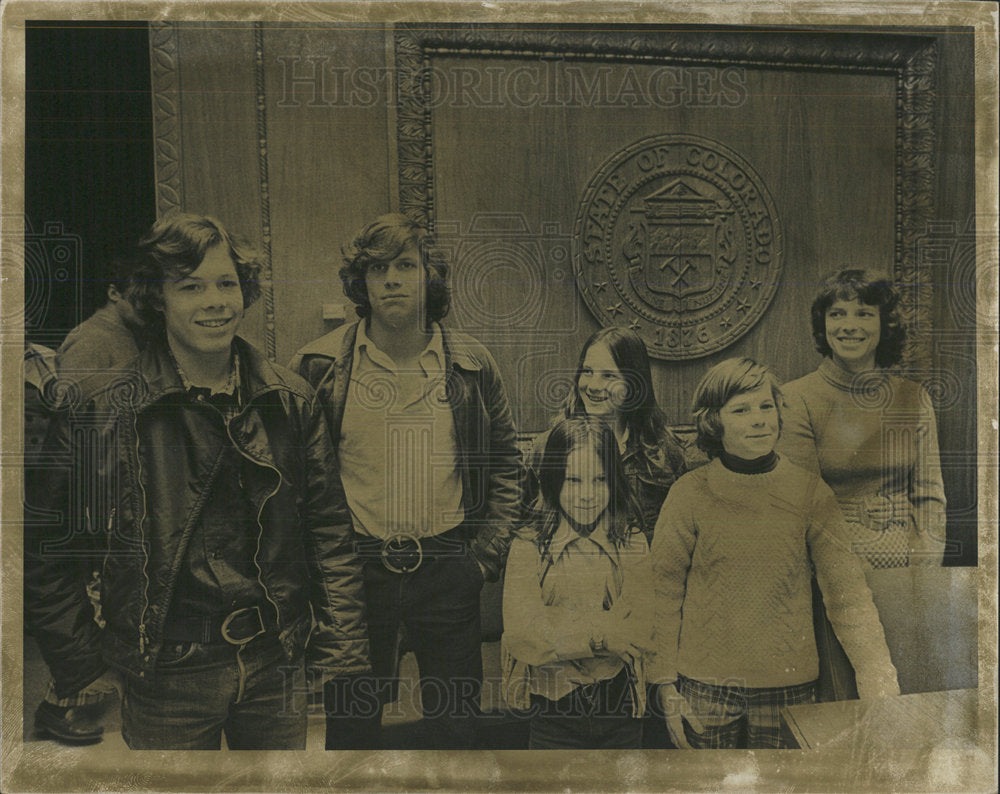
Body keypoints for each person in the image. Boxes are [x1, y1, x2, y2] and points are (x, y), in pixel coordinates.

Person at [24, 212, 370, 750]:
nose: (215, 301)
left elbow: (328, 532)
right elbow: (46, 550)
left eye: (227, 283)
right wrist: (82, 663)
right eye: (191, 286)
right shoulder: (101, 408)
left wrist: (341, 649)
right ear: (157, 298)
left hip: (273, 663)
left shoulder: (291, 398)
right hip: (166, 674)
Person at [291, 213, 522, 749]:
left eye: (405, 265)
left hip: (447, 569)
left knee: (458, 730)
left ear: (429, 277)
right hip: (355, 576)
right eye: (377, 268)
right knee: (351, 735)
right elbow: (295, 483)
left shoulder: (471, 364)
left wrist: (482, 559)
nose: (391, 279)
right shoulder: (320, 365)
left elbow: (508, 462)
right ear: (361, 282)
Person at [649, 357, 899, 750]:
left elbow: (847, 594)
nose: (760, 419)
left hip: (789, 693)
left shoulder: (810, 492)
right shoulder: (689, 493)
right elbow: (661, 595)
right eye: (742, 410)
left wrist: (878, 679)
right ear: (714, 421)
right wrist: (665, 685)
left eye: (767, 407)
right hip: (706, 694)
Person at [779, 268, 947, 569]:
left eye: (864, 314)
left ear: (885, 323)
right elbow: (805, 509)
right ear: (823, 324)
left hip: (909, 564)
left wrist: (924, 571)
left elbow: (930, 500)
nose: (849, 326)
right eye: (837, 314)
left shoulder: (914, 397)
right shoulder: (796, 399)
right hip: (832, 565)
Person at [501, 416, 652, 749]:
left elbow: (639, 630)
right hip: (553, 711)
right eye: (573, 480)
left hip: (619, 706)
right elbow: (522, 634)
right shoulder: (528, 545)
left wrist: (557, 631)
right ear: (554, 481)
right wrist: (602, 636)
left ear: (614, 481)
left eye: (600, 480)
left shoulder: (633, 541)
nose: (587, 495)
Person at [529, 327, 691, 544]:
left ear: (633, 384)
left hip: (640, 571)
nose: (594, 385)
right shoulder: (548, 446)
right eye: (587, 371)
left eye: (608, 375)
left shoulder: (662, 451)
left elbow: (679, 535)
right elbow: (529, 527)